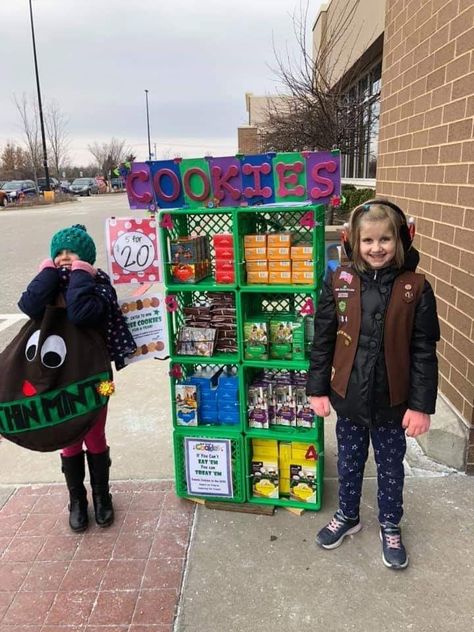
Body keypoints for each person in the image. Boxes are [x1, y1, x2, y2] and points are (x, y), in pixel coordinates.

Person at [306, 200, 440, 570]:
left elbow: (424, 351)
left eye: (385, 239)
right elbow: (323, 340)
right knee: (348, 462)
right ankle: (348, 515)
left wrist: (420, 406)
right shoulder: (339, 281)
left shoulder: (416, 288)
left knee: (391, 467)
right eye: (368, 240)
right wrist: (318, 389)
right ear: (353, 241)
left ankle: (390, 524)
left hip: (393, 404)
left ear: (400, 240)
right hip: (349, 398)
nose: (376, 247)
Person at [18, 224, 136, 533]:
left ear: (86, 259)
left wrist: (82, 274)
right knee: (68, 439)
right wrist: (47, 272)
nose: (64, 258)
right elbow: (28, 306)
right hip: (58, 380)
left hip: (97, 378)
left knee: (95, 435)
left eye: (72, 253)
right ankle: (77, 500)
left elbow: (82, 314)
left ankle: (102, 496)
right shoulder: (48, 289)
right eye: (58, 253)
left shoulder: (98, 286)